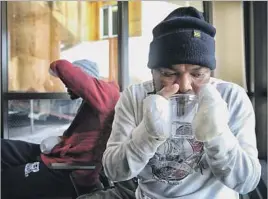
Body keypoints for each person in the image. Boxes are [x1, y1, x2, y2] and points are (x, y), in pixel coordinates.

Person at [80, 6, 261, 199]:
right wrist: (147, 135)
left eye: (197, 74)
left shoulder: (231, 96)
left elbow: (247, 183)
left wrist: (218, 134)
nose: (184, 86)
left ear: (210, 72)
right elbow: (114, 171)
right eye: (169, 74)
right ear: (153, 72)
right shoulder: (135, 96)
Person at [1, 59, 120, 199]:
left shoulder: (108, 96)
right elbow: (84, 140)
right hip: (58, 155)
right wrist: (60, 140)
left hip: (68, 171)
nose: (66, 88)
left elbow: (63, 67)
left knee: (5, 181)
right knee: (3, 148)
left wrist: (55, 69)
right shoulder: (93, 104)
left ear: (83, 79)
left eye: (68, 83)